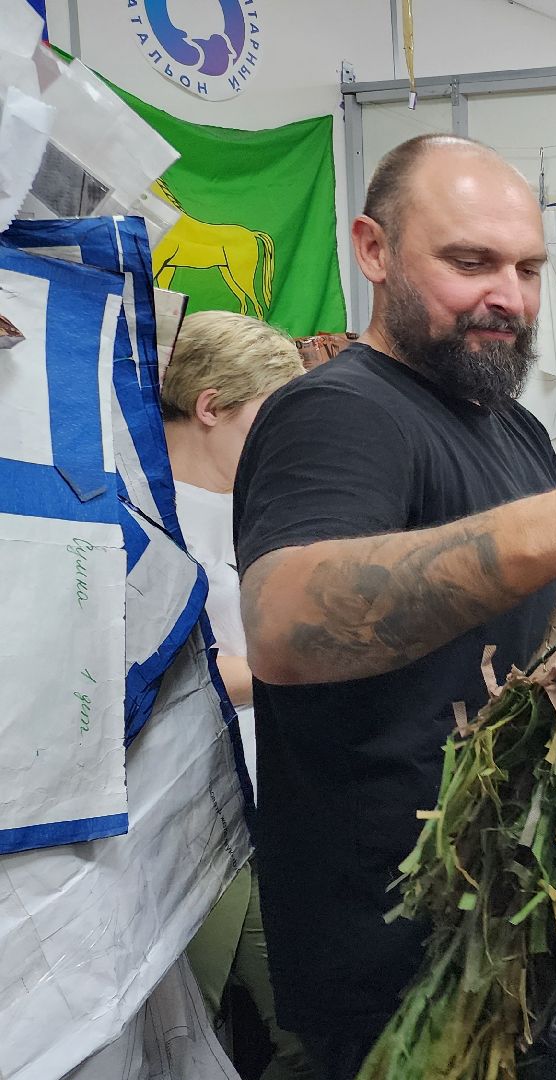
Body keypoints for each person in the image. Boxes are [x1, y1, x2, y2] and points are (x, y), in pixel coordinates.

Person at [233, 133, 556, 1080]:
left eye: (530, 268)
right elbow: (284, 625)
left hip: (520, 938)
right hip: (403, 968)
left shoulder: (508, 423)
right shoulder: (339, 411)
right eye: (470, 262)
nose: (511, 296)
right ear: (373, 251)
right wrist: (552, 529)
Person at [162, 310, 316, 1080]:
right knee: (291, 1015)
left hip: (271, 795)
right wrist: (314, 663)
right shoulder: (151, 519)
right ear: (210, 406)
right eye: (269, 417)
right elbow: (179, 676)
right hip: (202, 819)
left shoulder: (247, 502)